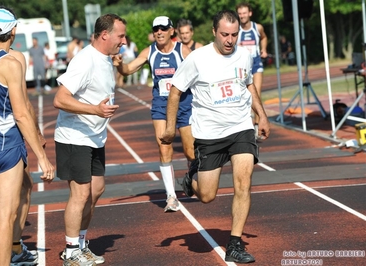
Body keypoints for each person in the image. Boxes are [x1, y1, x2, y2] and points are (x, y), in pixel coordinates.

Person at [161, 10, 270, 263]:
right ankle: (191, 179)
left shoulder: (244, 54)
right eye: (224, 34)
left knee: (243, 182)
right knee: (208, 196)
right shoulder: (197, 59)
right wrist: (169, 128)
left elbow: (248, 84)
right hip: (209, 134)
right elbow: (176, 91)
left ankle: (234, 244)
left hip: (240, 127)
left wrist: (261, 115)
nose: (230, 40)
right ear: (213, 32)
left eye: (234, 35)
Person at [0, 7, 54, 266]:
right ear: (13, 30)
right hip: (5, 145)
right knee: (5, 216)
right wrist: (42, 157)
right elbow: (22, 115)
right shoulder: (10, 63)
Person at [53, 13, 125, 265]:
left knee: (96, 190)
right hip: (74, 136)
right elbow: (60, 99)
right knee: (81, 194)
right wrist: (95, 110)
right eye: (121, 36)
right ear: (105, 35)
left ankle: (80, 244)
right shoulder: (85, 60)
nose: (124, 41)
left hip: (94, 137)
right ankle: (70, 251)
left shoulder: (105, 58)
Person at [114, 16, 194, 212]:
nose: (159, 32)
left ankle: (191, 177)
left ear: (171, 31)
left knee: (190, 151)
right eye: (156, 28)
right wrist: (119, 65)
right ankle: (171, 196)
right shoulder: (149, 51)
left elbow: (201, 70)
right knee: (164, 146)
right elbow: (128, 70)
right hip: (161, 105)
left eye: (163, 28)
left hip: (184, 103)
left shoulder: (182, 51)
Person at [236, 2, 268, 139]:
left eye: (244, 13)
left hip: (255, 63)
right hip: (242, 66)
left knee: (256, 93)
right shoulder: (236, 29)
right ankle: (246, 125)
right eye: (240, 13)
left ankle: (256, 125)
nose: (242, 16)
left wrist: (264, 49)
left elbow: (264, 37)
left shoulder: (257, 27)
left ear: (250, 13)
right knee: (245, 95)